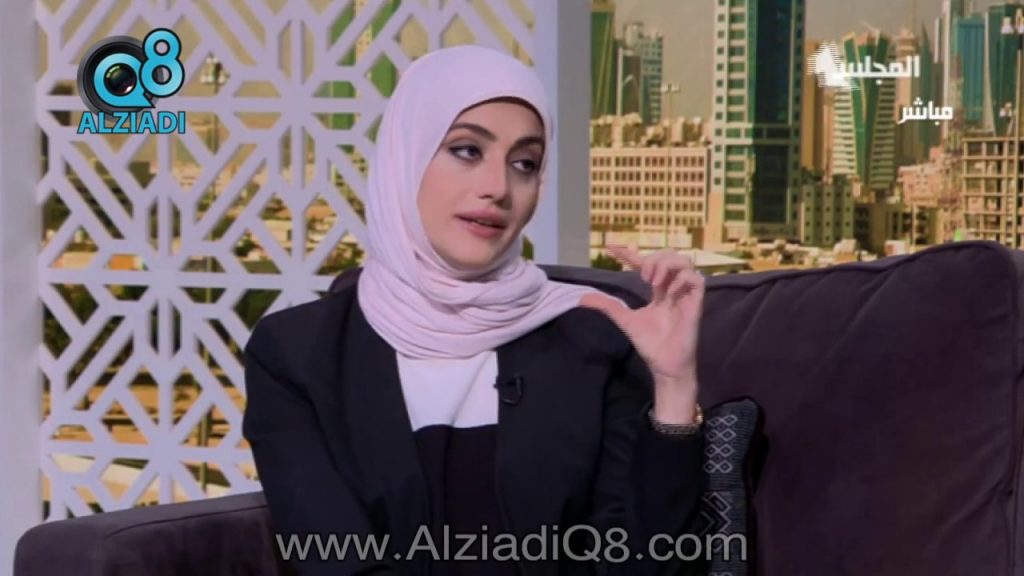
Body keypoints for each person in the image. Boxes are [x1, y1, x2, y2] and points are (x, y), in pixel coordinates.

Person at [242, 45, 707, 576]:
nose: (498, 188)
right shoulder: (297, 355)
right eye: (466, 150)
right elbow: (336, 562)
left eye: (524, 164)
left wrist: (673, 386)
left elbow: (645, 565)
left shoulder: (593, 339)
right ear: (405, 156)